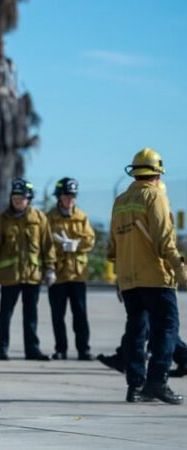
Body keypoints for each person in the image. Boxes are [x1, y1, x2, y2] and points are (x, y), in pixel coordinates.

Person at [108, 148, 185, 404]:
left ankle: (135, 387)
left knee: (136, 330)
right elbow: (165, 241)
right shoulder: (155, 197)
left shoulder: (120, 201)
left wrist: (120, 277)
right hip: (154, 276)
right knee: (167, 327)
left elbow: (112, 246)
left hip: (128, 278)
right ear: (157, 173)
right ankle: (157, 382)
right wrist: (180, 270)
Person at [0, 178, 56, 361]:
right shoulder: (2, 220)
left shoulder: (39, 219)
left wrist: (49, 268)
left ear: (29, 199)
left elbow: (47, 245)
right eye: (15, 197)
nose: (17, 200)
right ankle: (1, 349)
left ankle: (32, 350)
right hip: (9, 276)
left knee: (31, 315)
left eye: (22, 198)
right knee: (5, 314)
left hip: (32, 276)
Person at [46, 177, 95, 360]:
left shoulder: (81, 217)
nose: (70, 200)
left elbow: (90, 239)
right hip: (58, 275)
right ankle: (61, 349)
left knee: (80, 315)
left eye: (73, 196)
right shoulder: (50, 218)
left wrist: (76, 244)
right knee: (58, 315)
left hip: (77, 274)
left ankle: (84, 349)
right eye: (67, 196)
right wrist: (49, 268)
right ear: (59, 196)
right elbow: (46, 243)